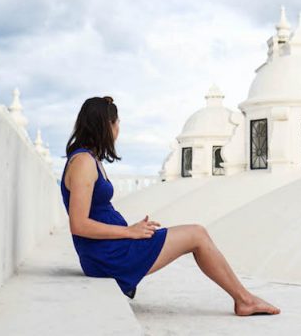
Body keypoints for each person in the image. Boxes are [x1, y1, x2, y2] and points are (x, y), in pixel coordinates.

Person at [60, 96, 280, 316]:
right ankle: (244, 300)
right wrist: (129, 232)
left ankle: (244, 299)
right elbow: (78, 224)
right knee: (197, 234)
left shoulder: (89, 159)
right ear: (106, 125)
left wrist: (131, 231)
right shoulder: (83, 163)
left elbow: (96, 212)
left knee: (196, 233)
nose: (118, 130)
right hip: (108, 256)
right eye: (116, 124)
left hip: (113, 248)